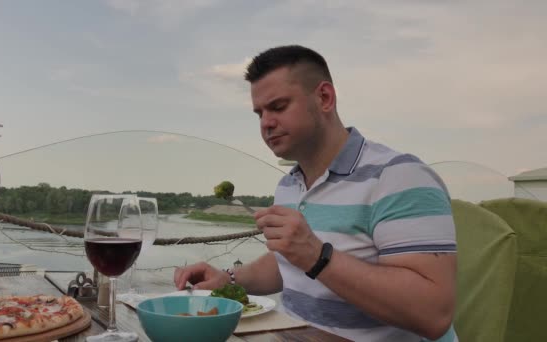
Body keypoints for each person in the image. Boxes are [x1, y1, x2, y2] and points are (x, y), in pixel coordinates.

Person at [174, 45, 458, 342]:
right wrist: (228, 279)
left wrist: (316, 257)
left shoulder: (399, 176)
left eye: (279, 107)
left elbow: (433, 314)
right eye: (260, 113)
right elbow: (287, 264)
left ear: (324, 98)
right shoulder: (289, 185)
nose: (266, 123)